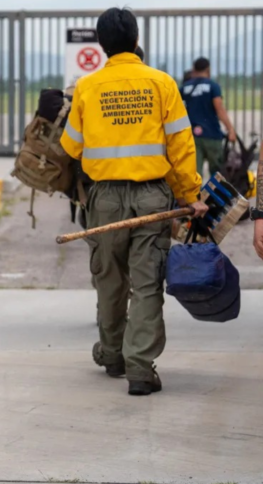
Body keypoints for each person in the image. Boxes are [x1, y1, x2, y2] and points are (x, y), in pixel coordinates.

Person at [60, 8, 207, 397]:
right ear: (137, 40)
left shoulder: (88, 88)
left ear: (102, 45)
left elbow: (70, 145)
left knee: (109, 279)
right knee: (145, 283)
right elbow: (181, 146)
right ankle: (140, 368)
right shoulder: (161, 83)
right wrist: (191, 196)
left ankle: (112, 355)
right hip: (151, 197)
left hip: (105, 198)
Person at [181, 57, 237, 177]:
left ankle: (197, 196)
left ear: (194, 69)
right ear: (208, 69)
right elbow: (219, 109)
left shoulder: (184, 88)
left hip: (192, 137)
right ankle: (216, 195)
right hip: (212, 135)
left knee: (195, 175)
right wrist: (230, 129)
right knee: (217, 175)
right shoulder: (213, 86)